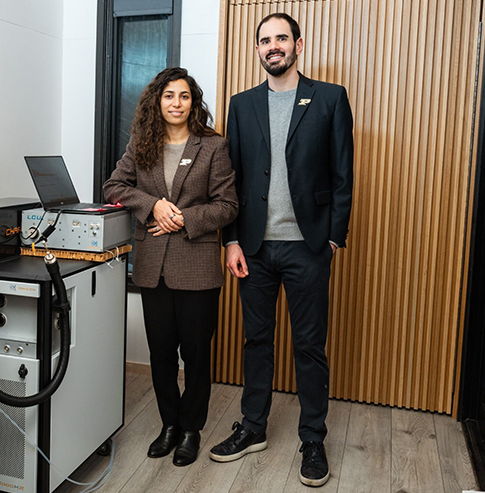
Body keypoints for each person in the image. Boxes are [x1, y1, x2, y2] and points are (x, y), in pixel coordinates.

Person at [208, 13, 353, 487]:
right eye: (265, 40)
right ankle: (253, 428)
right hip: (254, 247)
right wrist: (229, 239)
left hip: (309, 247)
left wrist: (333, 238)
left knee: (309, 347)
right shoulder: (242, 104)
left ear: (299, 45)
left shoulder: (330, 98)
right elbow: (232, 179)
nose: (274, 46)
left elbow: (342, 176)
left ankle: (312, 438)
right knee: (256, 342)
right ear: (258, 50)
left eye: (281, 39)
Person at [104, 67, 238, 467]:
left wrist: (181, 218)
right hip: (152, 268)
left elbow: (227, 205)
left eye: (183, 96)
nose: (176, 103)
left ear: (193, 102)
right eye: (168, 96)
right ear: (156, 101)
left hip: (197, 267)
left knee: (195, 354)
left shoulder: (213, 147)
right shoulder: (141, 143)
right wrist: (152, 206)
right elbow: (114, 186)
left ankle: (191, 429)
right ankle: (169, 425)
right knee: (161, 354)